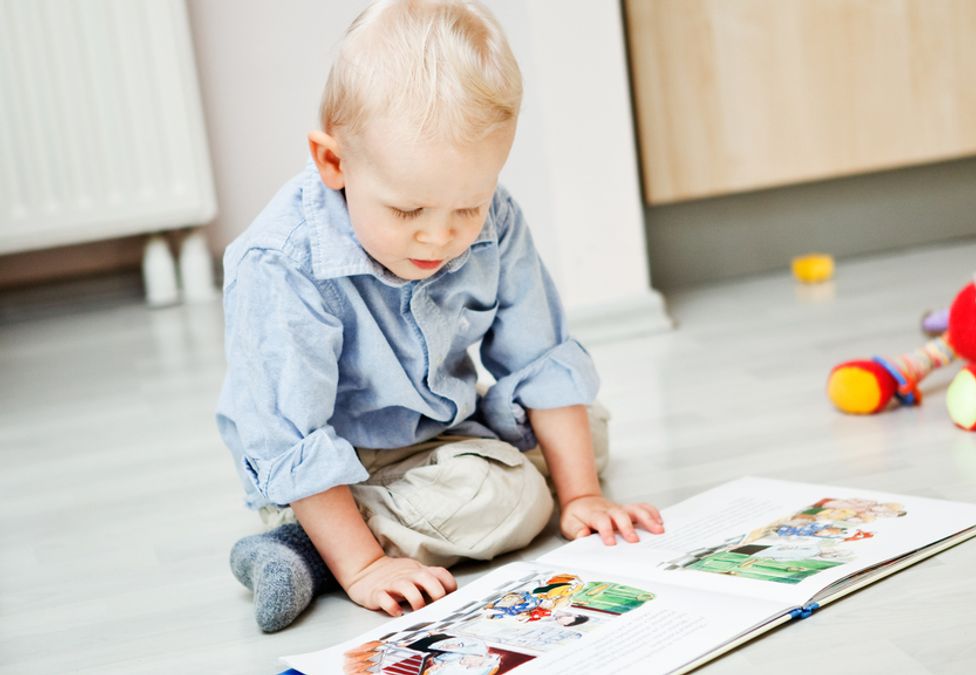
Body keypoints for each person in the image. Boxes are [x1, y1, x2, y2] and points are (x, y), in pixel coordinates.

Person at [216, 0, 663, 633]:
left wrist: (584, 495)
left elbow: (539, 358)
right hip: (339, 457)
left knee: (587, 428)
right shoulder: (281, 264)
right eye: (406, 212)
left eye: (467, 208)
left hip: (440, 422)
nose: (440, 238)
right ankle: (307, 546)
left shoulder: (495, 218)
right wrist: (366, 568)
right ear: (334, 162)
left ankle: (376, 522)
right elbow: (290, 436)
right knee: (505, 499)